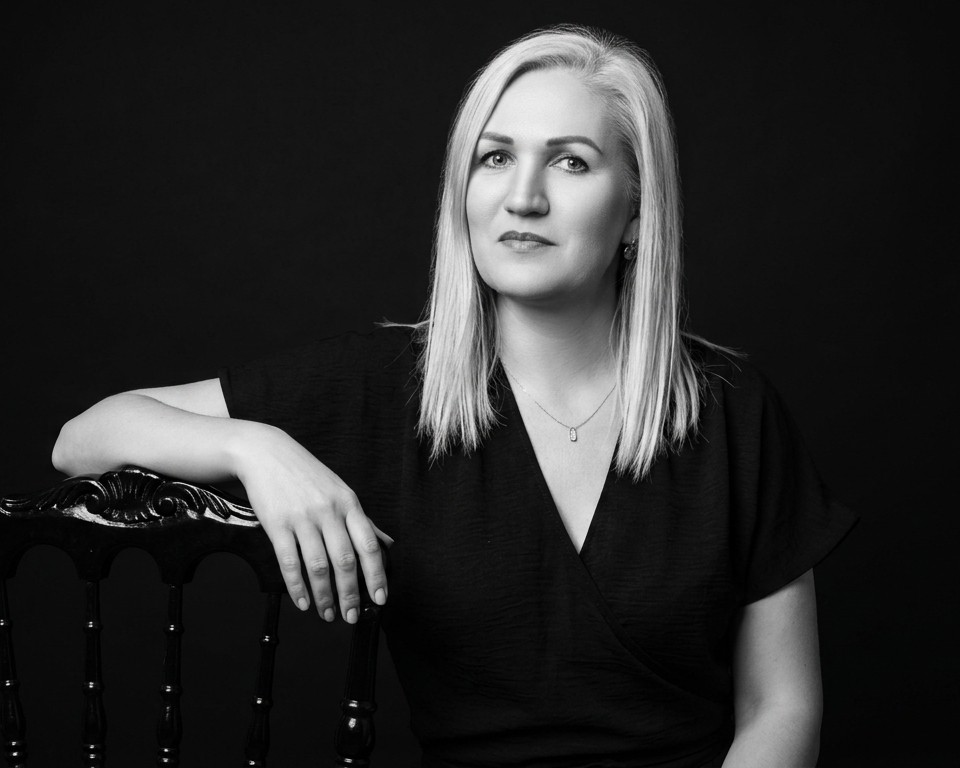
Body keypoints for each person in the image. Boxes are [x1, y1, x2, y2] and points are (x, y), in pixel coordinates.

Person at [52, 24, 857, 768]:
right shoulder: (382, 387)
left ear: (639, 210)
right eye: (495, 157)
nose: (524, 197)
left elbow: (781, 706)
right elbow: (84, 437)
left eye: (571, 161)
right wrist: (253, 447)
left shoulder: (732, 411)